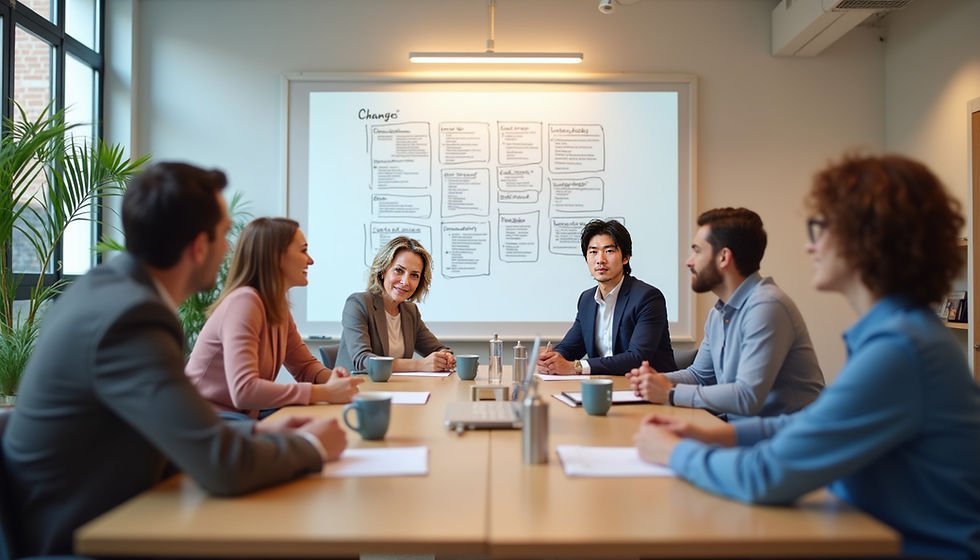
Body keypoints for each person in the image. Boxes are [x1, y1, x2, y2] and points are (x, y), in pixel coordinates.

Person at [633, 155, 980, 559]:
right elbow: (815, 423)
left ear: (868, 239)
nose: (809, 245)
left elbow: (763, 477)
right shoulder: (900, 335)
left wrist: (673, 452)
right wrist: (715, 434)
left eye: (821, 228)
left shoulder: (900, 350)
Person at [0, 163, 347, 557]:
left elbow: (172, 430)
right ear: (199, 247)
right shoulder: (130, 319)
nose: (229, 249)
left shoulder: (107, 293)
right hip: (87, 536)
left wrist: (259, 434)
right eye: (223, 235)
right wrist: (310, 446)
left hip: (122, 508)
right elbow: (222, 466)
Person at [627, 208, 824, 418]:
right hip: (741, 431)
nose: (689, 261)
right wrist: (657, 380)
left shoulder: (767, 306)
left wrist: (670, 392)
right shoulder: (718, 313)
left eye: (697, 251)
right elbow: (699, 375)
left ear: (723, 257)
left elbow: (747, 397)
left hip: (783, 441)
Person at [186, 217, 363, 419]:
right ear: (277, 257)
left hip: (240, 418)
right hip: (204, 422)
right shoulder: (244, 302)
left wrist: (333, 379)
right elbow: (244, 391)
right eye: (303, 250)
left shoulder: (276, 305)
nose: (310, 260)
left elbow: (304, 367)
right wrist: (325, 392)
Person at [537, 219, 675, 375]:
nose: (600, 260)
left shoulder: (647, 298)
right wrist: (551, 359)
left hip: (648, 390)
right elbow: (570, 348)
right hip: (604, 387)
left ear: (626, 257)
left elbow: (637, 358)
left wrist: (577, 367)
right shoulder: (587, 299)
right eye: (593, 252)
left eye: (609, 251)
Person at [336, 236, 455, 372]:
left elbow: (437, 349)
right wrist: (419, 365)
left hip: (396, 389)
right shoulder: (358, 304)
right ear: (383, 271)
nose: (405, 281)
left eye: (414, 275)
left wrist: (445, 357)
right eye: (399, 270)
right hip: (356, 389)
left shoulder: (410, 312)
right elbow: (363, 361)